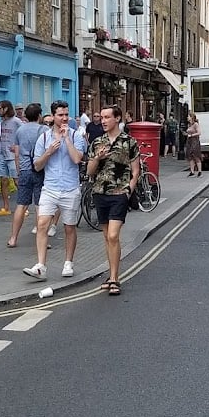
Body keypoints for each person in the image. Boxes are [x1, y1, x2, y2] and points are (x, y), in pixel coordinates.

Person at [23, 101, 86, 282]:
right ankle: (41, 266)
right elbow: (37, 165)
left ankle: (68, 263)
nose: (64, 118)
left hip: (70, 188)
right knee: (42, 224)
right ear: (53, 117)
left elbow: (77, 159)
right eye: (60, 115)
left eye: (66, 114)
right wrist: (49, 152)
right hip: (49, 188)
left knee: (69, 228)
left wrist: (66, 139)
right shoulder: (44, 138)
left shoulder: (76, 136)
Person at [86, 105, 140, 297]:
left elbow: (136, 171)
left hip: (119, 194)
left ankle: (115, 278)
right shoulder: (97, 143)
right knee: (107, 238)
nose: (103, 120)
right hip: (100, 192)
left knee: (113, 236)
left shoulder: (129, 142)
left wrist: (128, 191)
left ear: (117, 119)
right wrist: (97, 159)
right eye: (101, 117)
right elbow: (89, 173)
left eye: (107, 117)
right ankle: (111, 275)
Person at [7, 103, 44, 249]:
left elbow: (16, 153)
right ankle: (41, 239)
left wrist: (18, 171)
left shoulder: (20, 131)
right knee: (40, 206)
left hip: (24, 170)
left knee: (21, 205)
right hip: (40, 171)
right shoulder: (44, 130)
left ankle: (13, 238)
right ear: (39, 115)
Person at [0, 101, 22, 216]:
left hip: (13, 156)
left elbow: (24, 133)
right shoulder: (3, 122)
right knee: (3, 180)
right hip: (3, 155)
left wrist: (18, 147)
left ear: (6, 109)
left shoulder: (16, 121)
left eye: (0, 108)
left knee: (17, 181)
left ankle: (23, 207)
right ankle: (6, 207)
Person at [185, 112, 203, 176]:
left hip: (195, 141)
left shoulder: (196, 124)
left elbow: (199, 133)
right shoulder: (189, 125)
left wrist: (192, 135)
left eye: (188, 116)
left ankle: (199, 171)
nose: (187, 117)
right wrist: (186, 134)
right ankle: (192, 171)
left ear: (191, 117)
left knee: (196, 155)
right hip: (189, 141)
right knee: (190, 156)